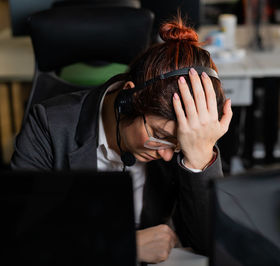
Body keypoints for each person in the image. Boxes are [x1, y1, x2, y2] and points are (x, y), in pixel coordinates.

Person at [11, 17, 232, 263]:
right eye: (159, 137)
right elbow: (21, 238)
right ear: (128, 98)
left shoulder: (187, 134)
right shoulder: (48, 126)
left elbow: (211, 245)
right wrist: (125, 244)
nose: (168, 155)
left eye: (180, 144)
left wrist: (199, 157)